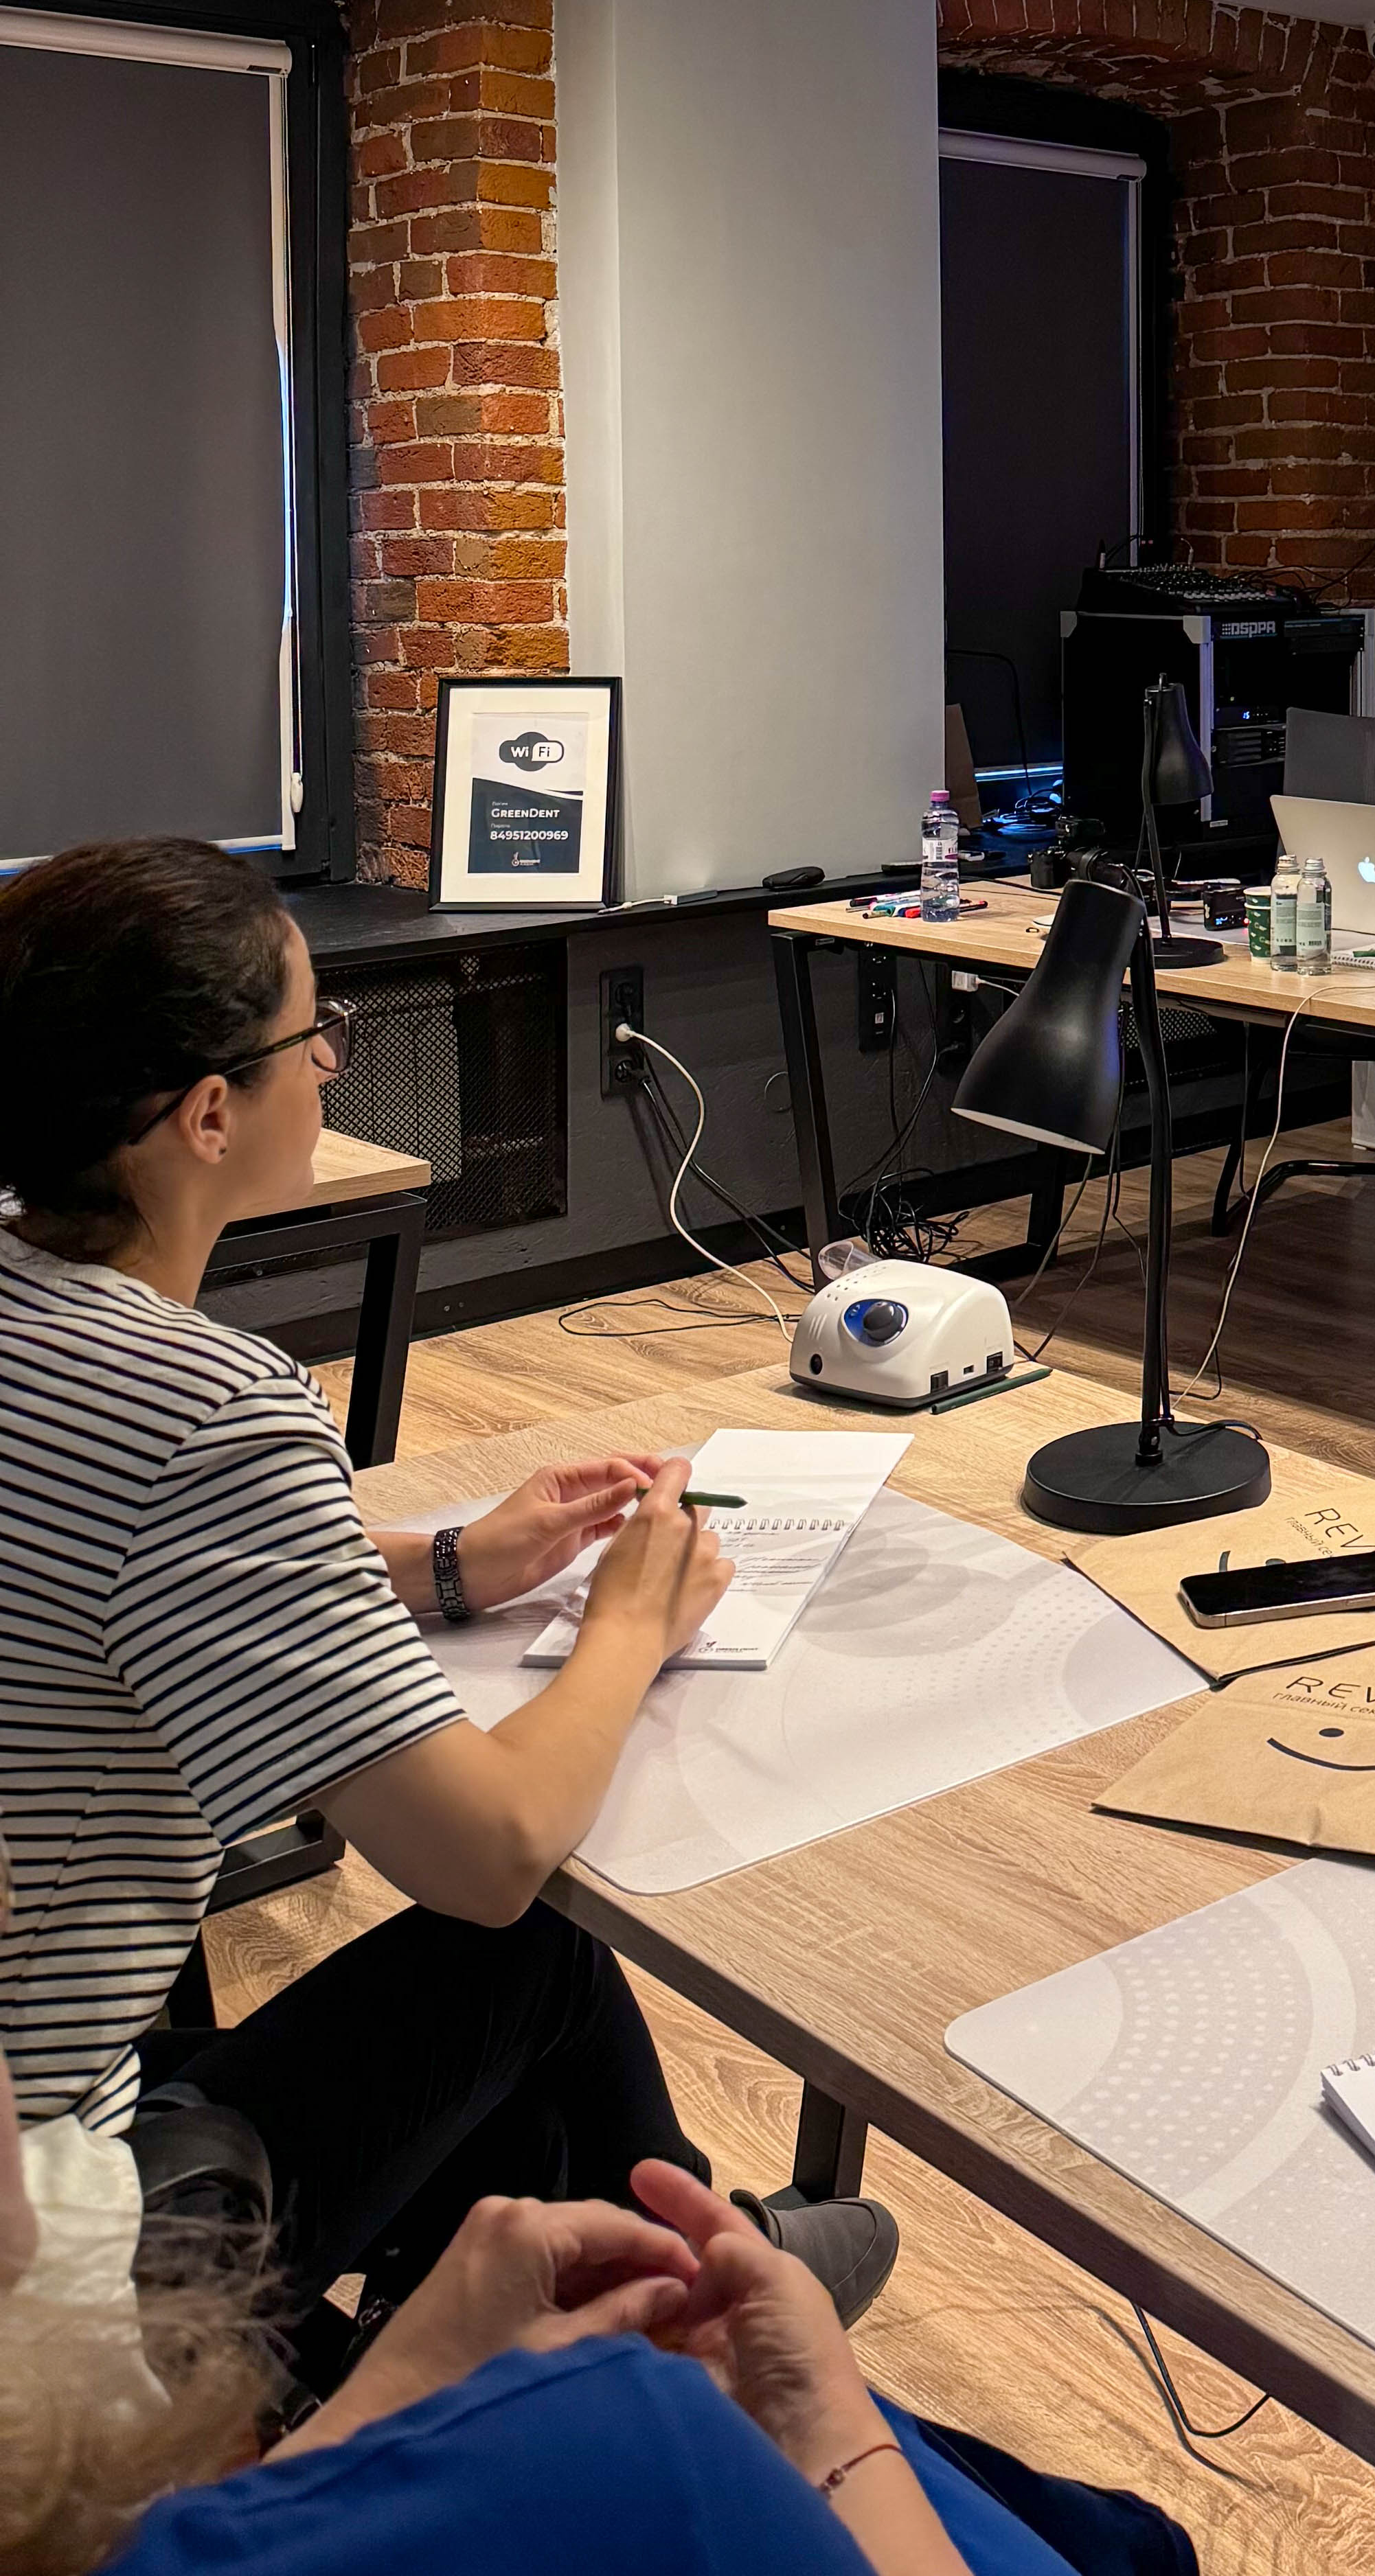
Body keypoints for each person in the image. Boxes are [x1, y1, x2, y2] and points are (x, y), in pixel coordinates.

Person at [0, 838, 895, 2375]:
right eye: (312, 1034)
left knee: (516, 2080)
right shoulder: (203, 1406)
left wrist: (454, 1562)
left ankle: (660, 2295)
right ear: (209, 1114)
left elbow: (128, 1568)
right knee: (522, 1952)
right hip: (57, 2231)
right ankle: (712, 2311)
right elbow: (483, 1853)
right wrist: (629, 1620)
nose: (332, 1064)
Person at [0, 1990, 1194, 2576]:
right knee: (1119, 2546)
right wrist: (826, 2421)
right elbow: (488, 1845)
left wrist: (387, 2402)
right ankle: (742, 2257)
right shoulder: (632, 2454)